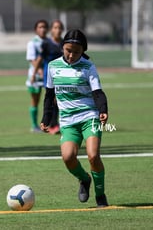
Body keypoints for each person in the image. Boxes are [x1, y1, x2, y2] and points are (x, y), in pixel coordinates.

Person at [40, 29, 109, 207]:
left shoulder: (88, 67)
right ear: (63, 47)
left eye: (76, 52)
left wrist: (103, 109)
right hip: (68, 120)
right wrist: (46, 118)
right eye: (68, 50)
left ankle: (100, 195)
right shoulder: (53, 66)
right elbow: (49, 95)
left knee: (93, 156)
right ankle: (84, 179)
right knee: (68, 157)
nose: (71, 55)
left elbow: (98, 92)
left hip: (89, 116)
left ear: (83, 51)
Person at [33, 20, 65, 135]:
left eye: (60, 28)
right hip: (49, 76)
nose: (58, 30)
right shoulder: (46, 43)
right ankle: (52, 124)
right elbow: (40, 59)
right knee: (52, 99)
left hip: (62, 76)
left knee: (61, 100)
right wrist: (34, 74)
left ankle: (59, 123)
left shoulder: (64, 43)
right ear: (52, 29)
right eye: (55, 27)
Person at [25, 19, 49, 132]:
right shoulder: (32, 43)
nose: (42, 29)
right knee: (36, 100)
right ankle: (34, 126)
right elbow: (31, 59)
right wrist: (39, 70)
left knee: (53, 99)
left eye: (44, 27)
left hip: (49, 75)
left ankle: (53, 124)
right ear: (35, 29)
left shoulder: (50, 42)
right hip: (36, 77)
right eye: (40, 27)